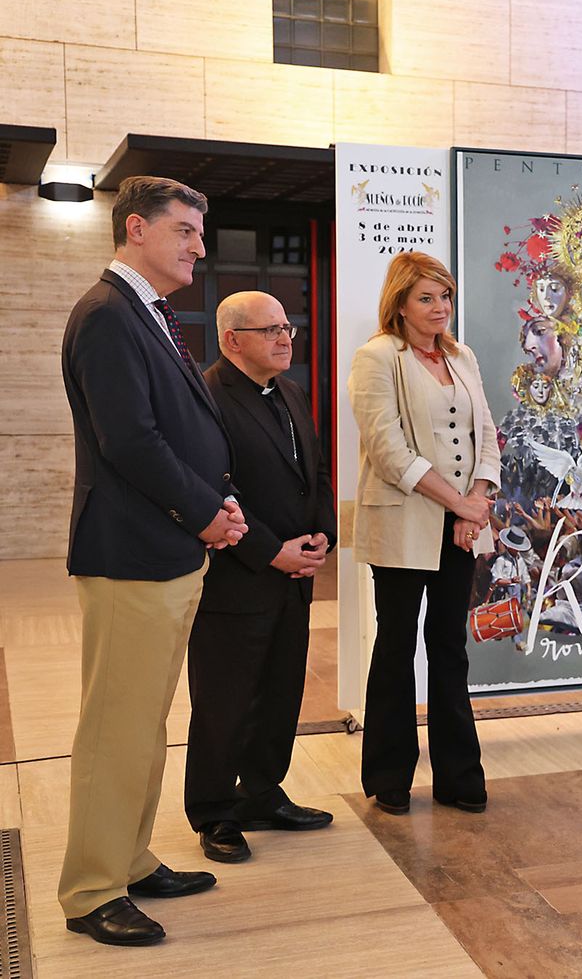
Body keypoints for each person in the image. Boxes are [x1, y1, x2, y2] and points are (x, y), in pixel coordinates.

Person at [58, 176, 247, 946]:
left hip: (167, 548)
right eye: (184, 232)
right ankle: (91, 889)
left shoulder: (148, 314)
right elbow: (130, 439)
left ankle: (130, 858)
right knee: (115, 727)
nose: (199, 248)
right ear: (136, 228)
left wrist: (219, 498)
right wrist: (203, 510)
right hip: (131, 551)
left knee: (144, 724)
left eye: (200, 234)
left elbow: (180, 425)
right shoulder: (107, 315)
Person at [186, 291, 337, 865]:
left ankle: (262, 793)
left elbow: (315, 470)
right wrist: (273, 551)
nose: (285, 338)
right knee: (225, 699)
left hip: (296, 573)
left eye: (288, 327)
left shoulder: (291, 391)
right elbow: (212, 491)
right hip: (238, 575)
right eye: (270, 329)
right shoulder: (207, 395)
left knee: (280, 692)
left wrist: (322, 532)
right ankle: (215, 811)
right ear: (232, 340)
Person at [349, 251, 501, 815]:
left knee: (449, 648)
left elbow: (486, 430)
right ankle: (389, 774)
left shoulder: (463, 356)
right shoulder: (377, 357)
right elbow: (389, 452)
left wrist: (475, 504)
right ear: (401, 303)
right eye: (426, 298)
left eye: (445, 297)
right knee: (395, 647)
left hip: (460, 526)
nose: (439, 309)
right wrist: (460, 501)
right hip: (403, 523)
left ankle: (458, 774)